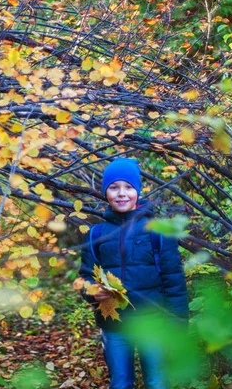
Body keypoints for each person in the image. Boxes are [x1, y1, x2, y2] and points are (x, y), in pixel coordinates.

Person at [78, 157, 189, 389]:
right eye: (114, 187)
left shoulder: (158, 230)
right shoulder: (95, 234)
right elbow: (84, 277)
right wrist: (91, 291)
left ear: (138, 191)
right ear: (105, 192)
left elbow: (173, 281)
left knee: (157, 382)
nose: (121, 193)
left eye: (128, 187)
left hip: (152, 321)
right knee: (120, 383)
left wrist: (178, 324)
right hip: (114, 325)